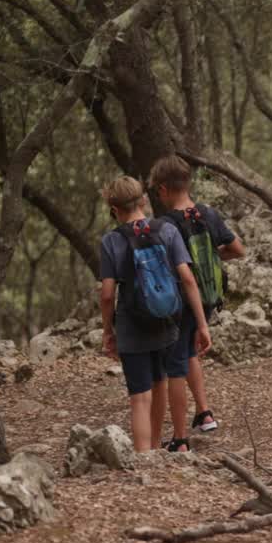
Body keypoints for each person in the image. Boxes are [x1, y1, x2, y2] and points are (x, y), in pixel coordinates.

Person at [98, 176, 212, 452]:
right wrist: (202, 324)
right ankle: (157, 450)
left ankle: (143, 457)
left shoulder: (111, 241)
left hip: (131, 324)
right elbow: (187, 279)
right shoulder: (167, 230)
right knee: (161, 384)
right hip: (167, 321)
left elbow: (107, 295)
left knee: (140, 397)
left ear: (114, 209)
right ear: (144, 200)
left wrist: (108, 331)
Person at [149, 154, 246, 449]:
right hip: (207, 298)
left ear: (163, 189)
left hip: (180, 303)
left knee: (175, 365)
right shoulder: (208, 214)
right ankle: (204, 413)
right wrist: (215, 258)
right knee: (190, 352)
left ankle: (179, 439)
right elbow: (237, 249)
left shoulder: (164, 225)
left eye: (157, 190)